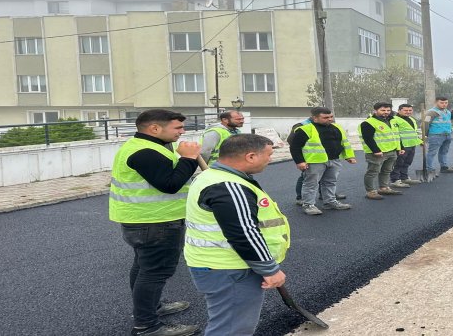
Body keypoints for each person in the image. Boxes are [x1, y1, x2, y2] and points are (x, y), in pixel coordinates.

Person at [185, 134, 289, 335]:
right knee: (232, 329)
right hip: (231, 269)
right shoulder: (229, 186)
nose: (270, 159)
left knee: (227, 324)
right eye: (268, 155)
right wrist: (269, 269)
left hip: (214, 265)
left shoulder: (211, 177)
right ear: (251, 156)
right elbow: (243, 232)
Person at [110, 109, 201, 336]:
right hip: (155, 222)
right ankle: (147, 326)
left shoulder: (145, 147)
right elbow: (169, 184)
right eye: (178, 128)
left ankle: (151, 308)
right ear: (155, 128)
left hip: (145, 220)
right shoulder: (145, 152)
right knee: (154, 272)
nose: (182, 132)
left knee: (143, 267)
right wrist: (189, 159)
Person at [289, 107, 356, 215]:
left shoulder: (337, 127)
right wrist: (300, 161)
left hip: (334, 160)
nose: (329, 119)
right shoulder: (305, 129)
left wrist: (349, 156)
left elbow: (344, 143)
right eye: (325, 117)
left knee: (330, 182)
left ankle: (330, 202)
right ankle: (308, 205)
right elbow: (295, 147)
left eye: (331, 117)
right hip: (315, 161)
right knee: (311, 183)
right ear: (315, 118)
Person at [360, 102, 405, 200]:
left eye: (388, 110)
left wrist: (400, 147)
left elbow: (396, 135)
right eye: (383, 110)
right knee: (372, 172)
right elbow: (368, 138)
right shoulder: (368, 123)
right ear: (375, 111)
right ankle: (370, 191)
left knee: (387, 170)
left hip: (392, 151)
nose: (386, 112)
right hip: (377, 152)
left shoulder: (392, 121)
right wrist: (376, 150)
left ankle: (383, 188)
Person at [390, 104, 425, 187]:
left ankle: (404, 178)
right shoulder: (394, 120)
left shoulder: (411, 119)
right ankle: (395, 180)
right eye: (405, 110)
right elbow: (395, 134)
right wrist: (399, 146)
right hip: (402, 145)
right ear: (399, 110)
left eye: (410, 110)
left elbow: (413, 132)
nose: (408, 112)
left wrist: (420, 141)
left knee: (407, 162)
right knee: (399, 162)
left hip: (411, 144)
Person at [424, 96, 453, 174]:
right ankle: (429, 169)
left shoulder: (448, 112)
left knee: (444, 152)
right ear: (436, 102)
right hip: (436, 135)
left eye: (446, 103)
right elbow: (425, 123)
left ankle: (444, 167)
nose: (444, 104)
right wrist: (425, 135)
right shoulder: (431, 112)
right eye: (442, 103)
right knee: (432, 153)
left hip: (447, 134)